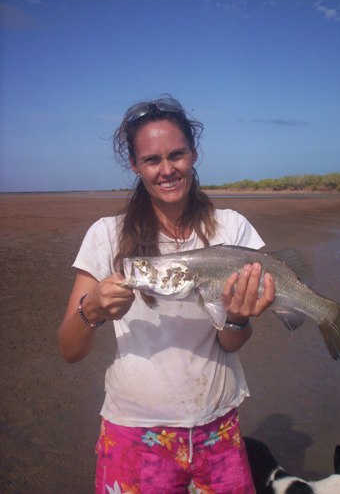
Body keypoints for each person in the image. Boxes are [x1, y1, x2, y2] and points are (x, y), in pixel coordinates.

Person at [58, 95, 275, 493]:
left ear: (193, 154)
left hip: (217, 427)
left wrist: (239, 317)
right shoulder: (105, 235)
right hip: (134, 433)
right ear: (134, 165)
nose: (167, 169)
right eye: (152, 160)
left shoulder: (233, 229)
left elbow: (231, 341)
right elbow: (70, 350)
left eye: (177, 155)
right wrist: (92, 309)